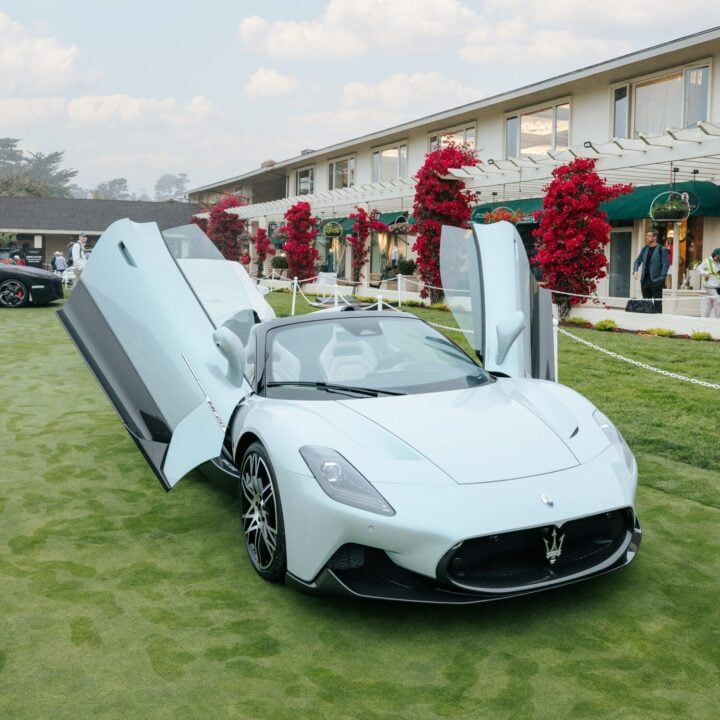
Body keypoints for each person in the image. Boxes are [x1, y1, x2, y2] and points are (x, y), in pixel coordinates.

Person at [632, 229, 670, 313]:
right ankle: (647, 322)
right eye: (647, 236)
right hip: (645, 281)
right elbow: (637, 261)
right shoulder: (644, 249)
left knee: (657, 304)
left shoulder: (662, 249)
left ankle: (658, 322)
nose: (647, 237)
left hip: (656, 281)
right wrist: (635, 270)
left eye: (649, 236)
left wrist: (661, 278)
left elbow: (665, 264)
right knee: (646, 303)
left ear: (655, 237)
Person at [698, 248, 720, 319]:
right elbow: (698, 268)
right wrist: (705, 273)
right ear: (714, 255)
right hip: (709, 286)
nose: (718, 258)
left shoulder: (719, 263)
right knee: (717, 300)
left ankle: (704, 318)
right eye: (717, 257)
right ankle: (718, 319)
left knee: (710, 303)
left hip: (716, 285)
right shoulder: (707, 261)